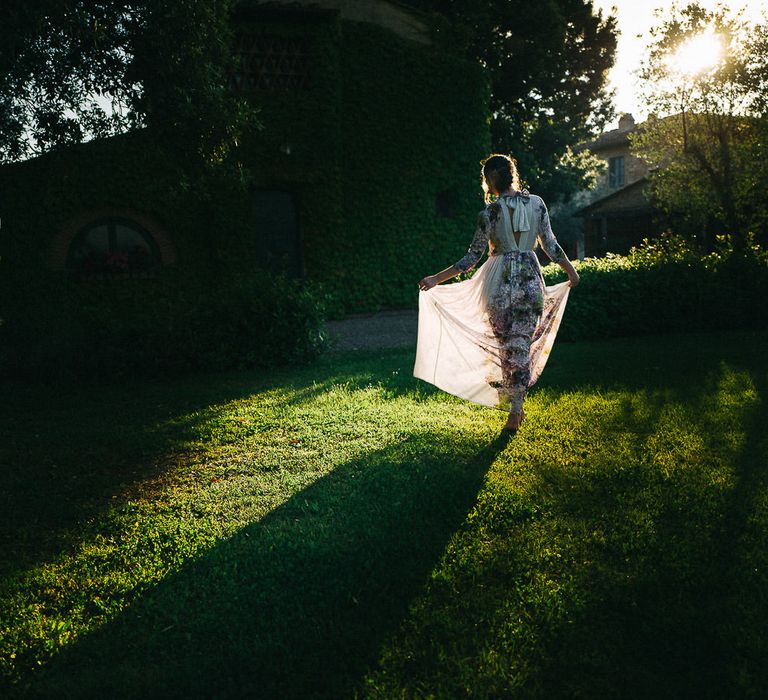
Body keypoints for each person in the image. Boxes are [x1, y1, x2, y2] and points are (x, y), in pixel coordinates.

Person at [414, 153, 580, 434]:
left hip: (499, 285)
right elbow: (550, 246)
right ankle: (516, 410)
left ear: (490, 179)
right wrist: (571, 273)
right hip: (529, 280)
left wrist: (436, 279)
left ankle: (514, 409)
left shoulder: (489, 213)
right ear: (512, 174)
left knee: (506, 348)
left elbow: (471, 259)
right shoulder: (537, 204)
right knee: (522, 347)